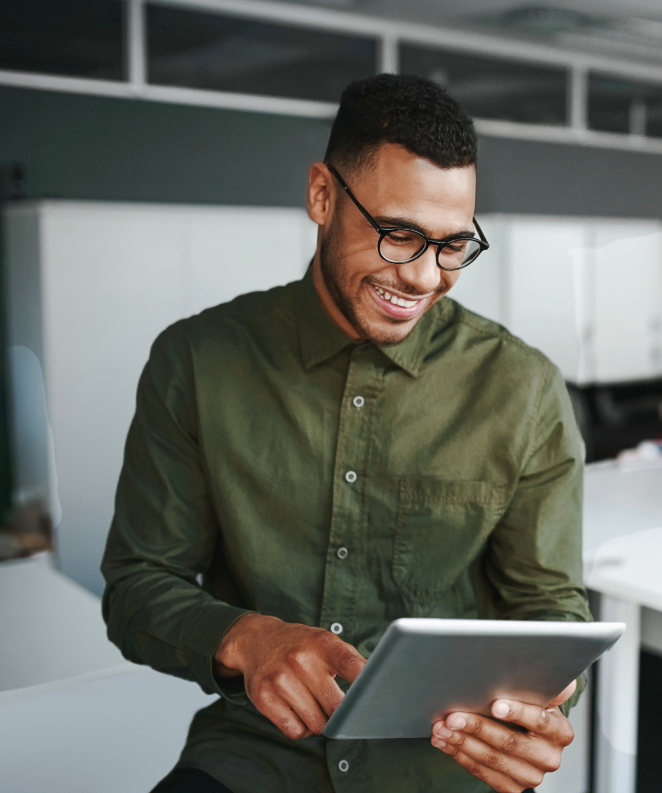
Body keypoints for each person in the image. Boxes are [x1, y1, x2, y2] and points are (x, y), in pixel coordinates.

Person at [101, 74, 591, 793]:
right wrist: (246, 636)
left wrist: (543, 706)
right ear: (322, 197)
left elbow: (551, 612)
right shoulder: (197, 361)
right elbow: (139, 585)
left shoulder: (524, 389)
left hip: (441, 765)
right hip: (256, 757)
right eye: (400, 236)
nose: (426, 277)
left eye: (454, 245)